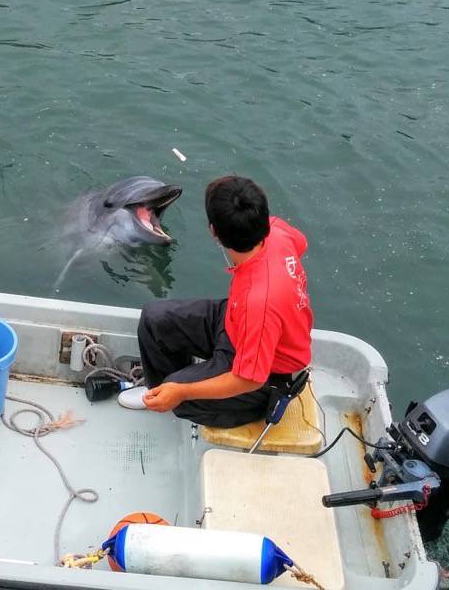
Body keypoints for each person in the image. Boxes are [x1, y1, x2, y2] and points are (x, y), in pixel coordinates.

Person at [130, 175, 313, 428]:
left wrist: (182, 392)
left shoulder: (259, 303)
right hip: (236, 322)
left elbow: (250, 379)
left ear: (213, 231)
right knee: (154, 318)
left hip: (267, 376)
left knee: (182, 397)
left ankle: (176, 396)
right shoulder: (276, 229)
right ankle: (161, 392)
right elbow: (300, 244)